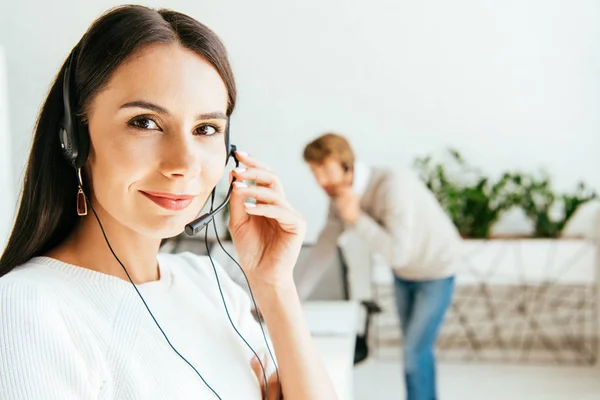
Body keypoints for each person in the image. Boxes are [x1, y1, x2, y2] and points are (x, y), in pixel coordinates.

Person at [0, 6, 337, 400]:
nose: (184, 164)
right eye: (145, 122)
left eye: (206, 129)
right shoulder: (27, 307)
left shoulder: (210, 285)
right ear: (74, 140)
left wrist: (274, 285)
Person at [297, 132, 462, 400]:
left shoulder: (391, 185)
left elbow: (398, 254)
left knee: (414, 351)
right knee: (415, 350)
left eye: (325, 170)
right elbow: (323, 250)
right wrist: (292, 297)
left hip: (436, 269)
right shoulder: (339, 196)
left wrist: (356, 217)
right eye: (314, 172)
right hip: (404, 274)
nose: (320, 181)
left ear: (346, 165)